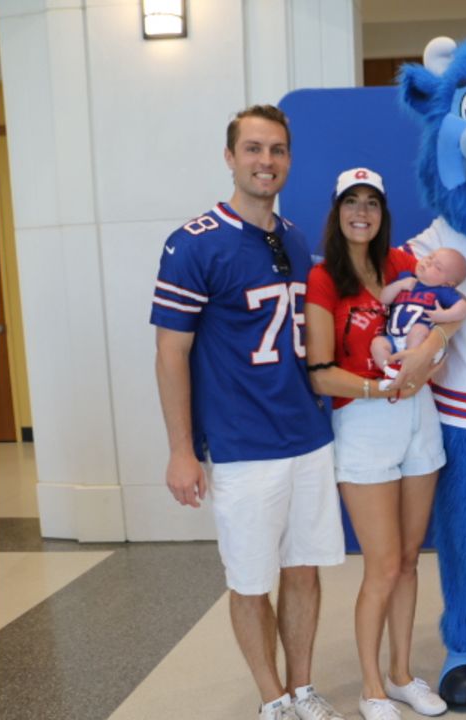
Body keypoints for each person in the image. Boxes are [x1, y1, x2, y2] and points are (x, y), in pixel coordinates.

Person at [152, 105, 345, 720]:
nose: (267, 161)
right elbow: (170, 351)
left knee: (305, 571)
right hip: (241, 444)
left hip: (307, 435)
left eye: (278, 150)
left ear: (289, 159)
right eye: (255, 149)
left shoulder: (291, 236)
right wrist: (182, 449)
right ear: (231, 157)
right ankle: (272, 700)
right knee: (250, 580)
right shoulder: (193, 243)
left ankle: (304, 687)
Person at [303, 167, 451, 720]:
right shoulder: (324, 279)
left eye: (371, 203)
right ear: (337, 211)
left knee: (410, 560)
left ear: (383, 212)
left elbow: (451, 313)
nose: (361, 212)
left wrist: (424, 353)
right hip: (363, 424)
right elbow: (319, 373)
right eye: (351, 203)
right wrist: (376, 387)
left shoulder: (402, 265)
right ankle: (371, 686)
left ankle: (402, 673)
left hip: (419, 416)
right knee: (383, 565)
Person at [370, 247, 466, 389]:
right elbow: (384, 299)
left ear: (447, 283)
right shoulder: (405, 279)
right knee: (377, 343)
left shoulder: (443, 291)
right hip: (393, 338)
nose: (428, 263)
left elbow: (464, 308)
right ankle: (391, 372)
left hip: (417, 342)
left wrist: (444, 316)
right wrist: (399, 285)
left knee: (419, 330)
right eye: (430, 257)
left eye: (437, 267)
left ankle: (409, 368)